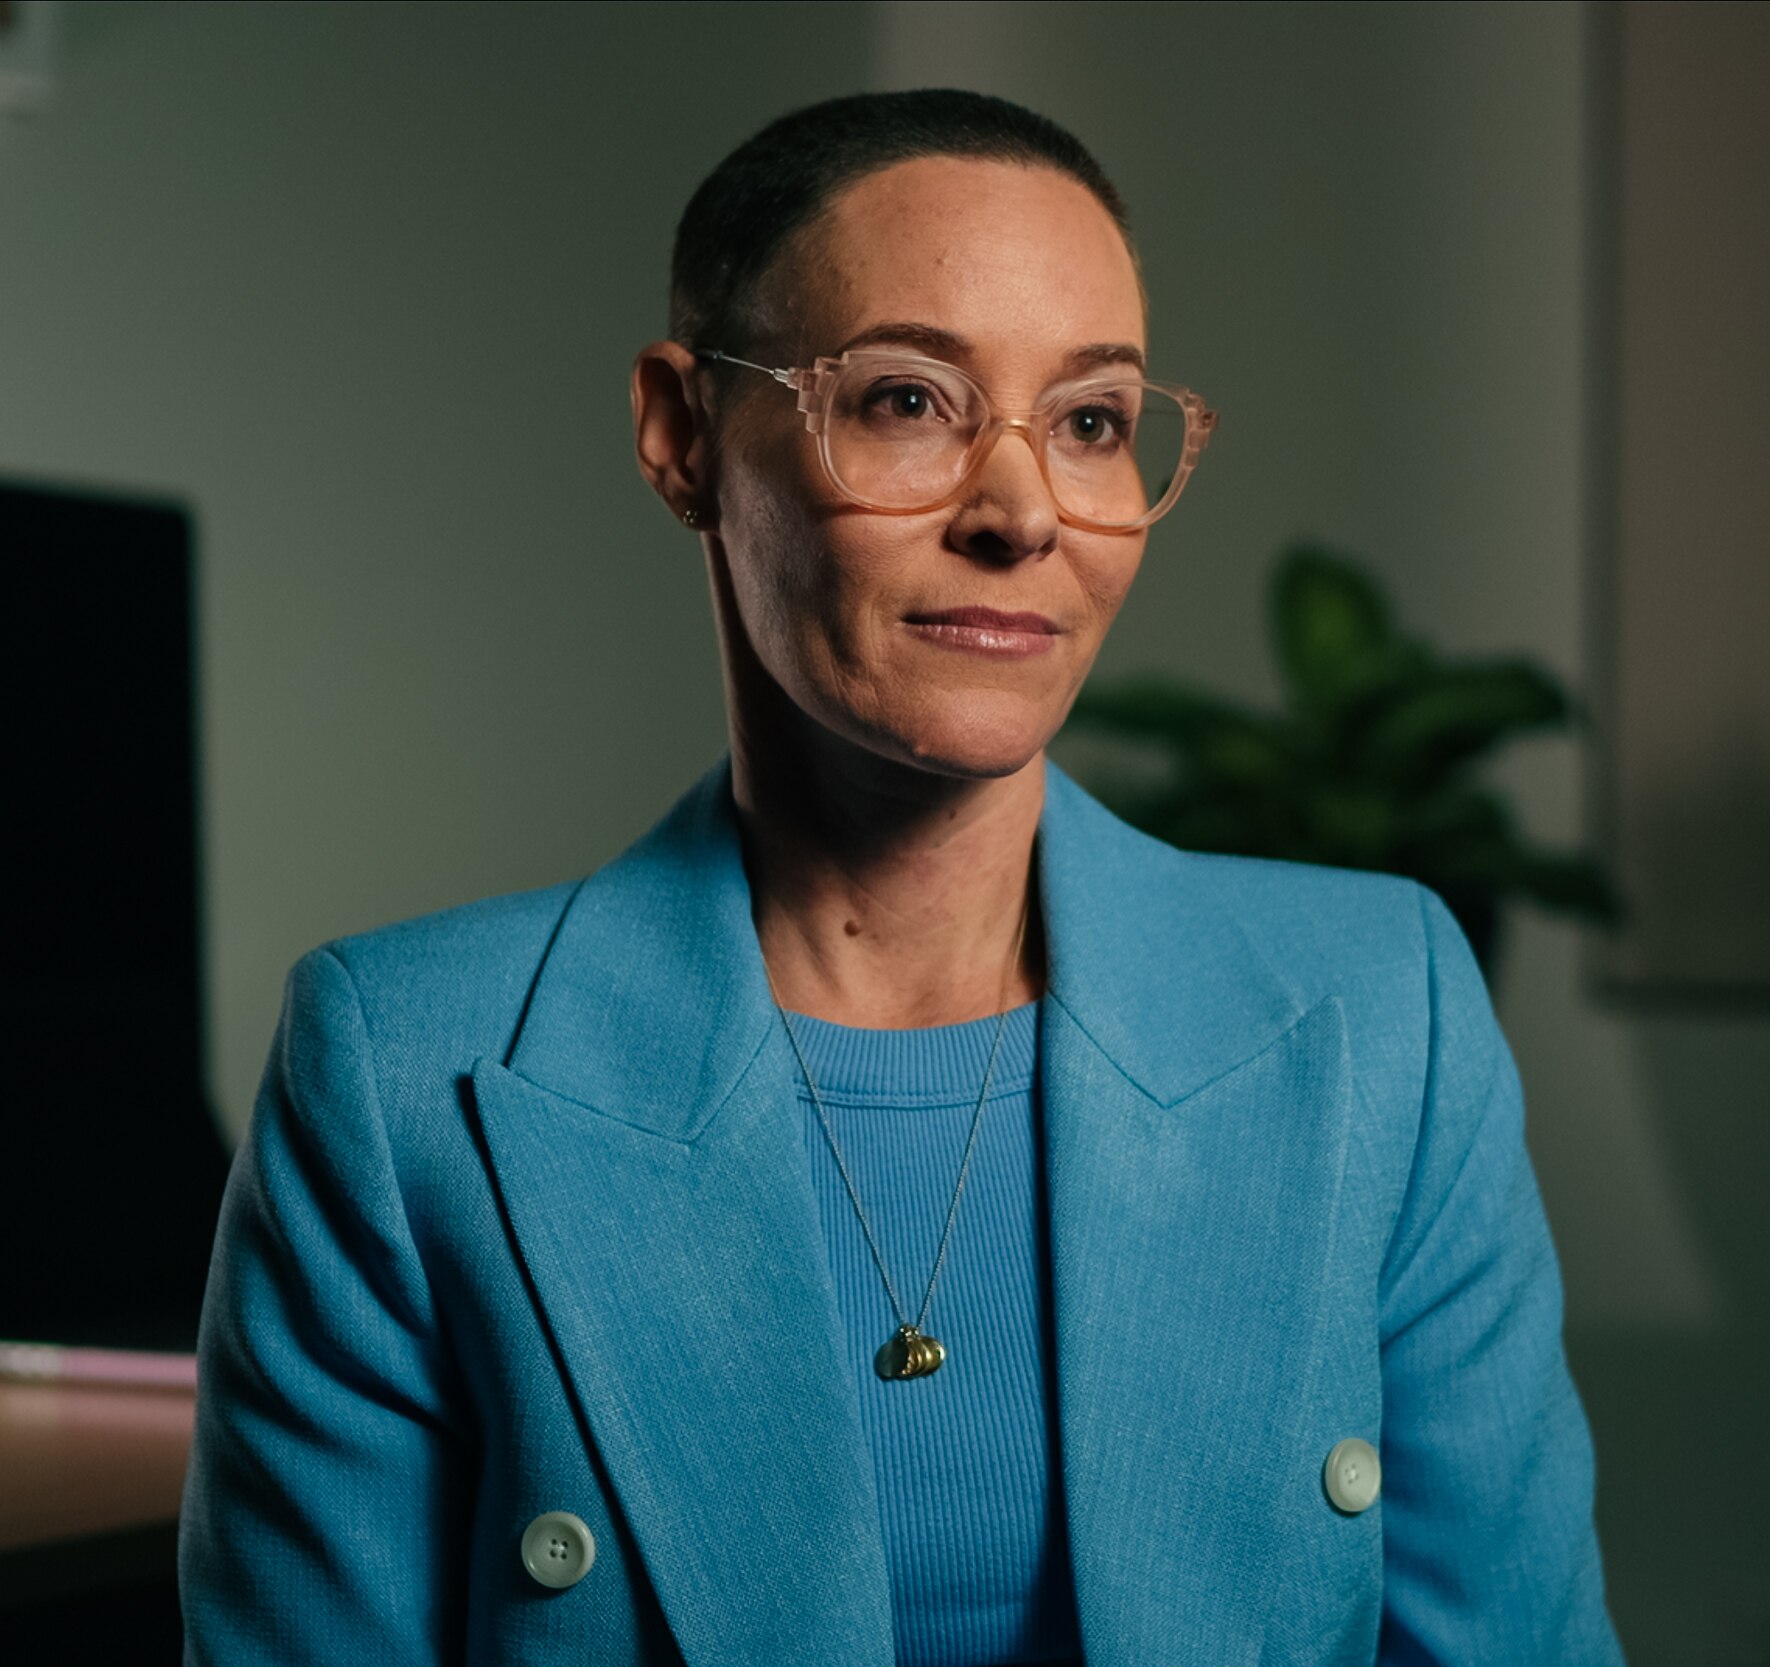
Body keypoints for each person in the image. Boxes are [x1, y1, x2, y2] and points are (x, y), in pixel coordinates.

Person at [178, 88, 1623, 1666]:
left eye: (1091, 422)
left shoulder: (1377, 1022)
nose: (1021, 515)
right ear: (680, 437)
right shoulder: (402, 1076)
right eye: (907, 401)